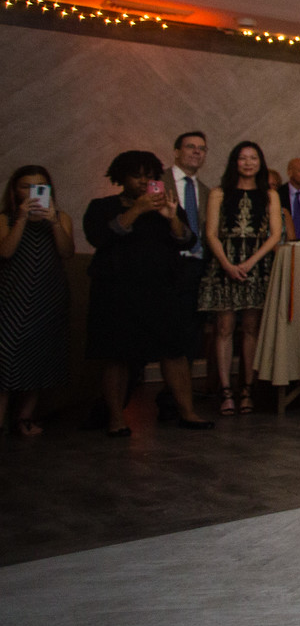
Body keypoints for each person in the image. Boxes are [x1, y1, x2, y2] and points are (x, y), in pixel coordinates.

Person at [83, 151, 213, 436]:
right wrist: (137, 210)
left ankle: (187, 412)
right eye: (136, 175)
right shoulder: (102, 206)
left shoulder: (164, 206)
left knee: (174, 351)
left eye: (149, 175)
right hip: (117, 293)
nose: (144, 181)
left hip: (161, 290)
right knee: (117, 355)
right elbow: (100, 237)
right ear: (121, 177)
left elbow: (188, 239)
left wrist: (170, 217)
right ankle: (116, 418)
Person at [199, 141, 282, 416]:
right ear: (234, 162)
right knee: (223, 328)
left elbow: (274, 235)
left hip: (256, 264)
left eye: (253, 158)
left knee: (251, 328)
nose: (248, 163)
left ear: (261, 162)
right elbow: (210, 233)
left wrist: (249, 262)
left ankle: (247, 387)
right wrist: (227, 264)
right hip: (223, 262)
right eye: (242, 158)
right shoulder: (218, 193)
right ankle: (225, 390)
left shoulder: (270, 194)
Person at [0, 165, 74, 436]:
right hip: (12, 296)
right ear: (15, 190)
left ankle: (25, 417)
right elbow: (5, 252)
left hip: (49, 294)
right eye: (26, 187)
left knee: (40, 354)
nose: (33, 192)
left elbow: (67, 252)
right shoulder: (4, 219)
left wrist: (53, 220)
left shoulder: (61, 217)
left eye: (40, 187)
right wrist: (20, 219)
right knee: (6, 355)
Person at [168, 132, 214, 401]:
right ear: (176, 151)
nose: (197, 152)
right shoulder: (160, 183)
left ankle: (176, 397)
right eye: (190, 147)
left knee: (190, 335)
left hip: (196, 267)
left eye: (202, 149)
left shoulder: (207, 192)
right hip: (166, 266)